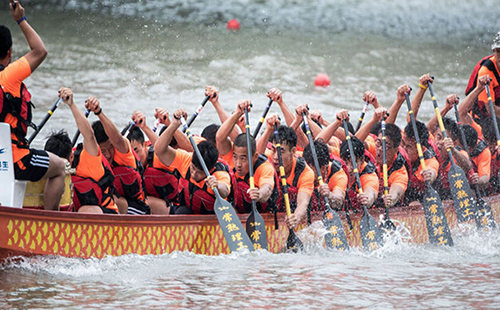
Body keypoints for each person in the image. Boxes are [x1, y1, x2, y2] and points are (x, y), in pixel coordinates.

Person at [0, 1, 65, 210]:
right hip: (15, 161)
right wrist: (20, 19)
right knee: (59, 168)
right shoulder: (9, 76)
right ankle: (50, 225)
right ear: (9, 53)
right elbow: (40, 51)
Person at [154, 109, 233, 214]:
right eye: (193, 168)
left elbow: (225, 191)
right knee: (181, 211)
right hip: (188, 212)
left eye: (200, 172)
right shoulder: (187, 159)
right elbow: (159, 150)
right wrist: (174, 125)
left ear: (211, 169)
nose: (194, 174)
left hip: (214, 216)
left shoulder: (219, 173)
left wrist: (217, 186)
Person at [86, 99, 150, 215]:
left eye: (110, 148)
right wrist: (71, 105)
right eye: (103, 150)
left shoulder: (122, 151)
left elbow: (118, 139)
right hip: (110, 207)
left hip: (138, 210)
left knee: (111, 200)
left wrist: (98, 112)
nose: (108, 154)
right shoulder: (91, 154)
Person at [60, 88, 118, 214]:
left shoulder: (90, 158)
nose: (107, 154)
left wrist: (71, 104)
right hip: (75, 214)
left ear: (71, 157)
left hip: (104, 214)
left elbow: (89, 136)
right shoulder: (57, 162)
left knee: (86, 209)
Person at [216, 99, 279, 213]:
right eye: (235, 157)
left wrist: (259, 194)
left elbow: (267, 189)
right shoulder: (231, 157)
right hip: (238, 212)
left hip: (264, 214)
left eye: (243, 159)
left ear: (255, 156)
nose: (238, 164)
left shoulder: (264, 167)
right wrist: (238, 113)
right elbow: (220, 138)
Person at [257, 115, 315, 229]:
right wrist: (269, 129)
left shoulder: (305, 172)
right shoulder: (267, 159)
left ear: (293, 151)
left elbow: (303, 204)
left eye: (281, 151)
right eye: (273, 150)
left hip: (291, 216)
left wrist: (296, 218)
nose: (275, 157)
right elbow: (256, 155)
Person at [401, 120, 440, 203]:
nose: (403, 149)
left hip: (422, 197)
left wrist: (430, 175)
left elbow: (432, 170)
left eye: (408, 147)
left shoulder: (429, 160)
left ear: (421, 149)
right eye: (403, 143)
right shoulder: (403, 138)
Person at [302, 139, 347, 211]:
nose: (307, 172)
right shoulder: (300, 165)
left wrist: (329, 195)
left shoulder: (338, 174)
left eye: (310, 169)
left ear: (323, 168)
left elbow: (339, 200)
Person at [373, 122, 409, 208]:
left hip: (391, 208)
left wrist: (390, 199)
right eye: (379, 144)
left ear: (396, 150)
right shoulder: (373, 147)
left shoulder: (400, 172)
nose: (381, 149)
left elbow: (396, 192)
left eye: (386, 146)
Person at [467, 31, 500, 123]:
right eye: (497, 51)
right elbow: (491, 110)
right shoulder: (486, 71)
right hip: (481, 118)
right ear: (493, 52)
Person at [340, 133, 379, 211]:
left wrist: (367, 199)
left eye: (353, 163)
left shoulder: (369, 175)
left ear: (362, 161)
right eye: (345, 162)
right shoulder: (335, 169)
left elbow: (371, 193)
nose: (349, 168)